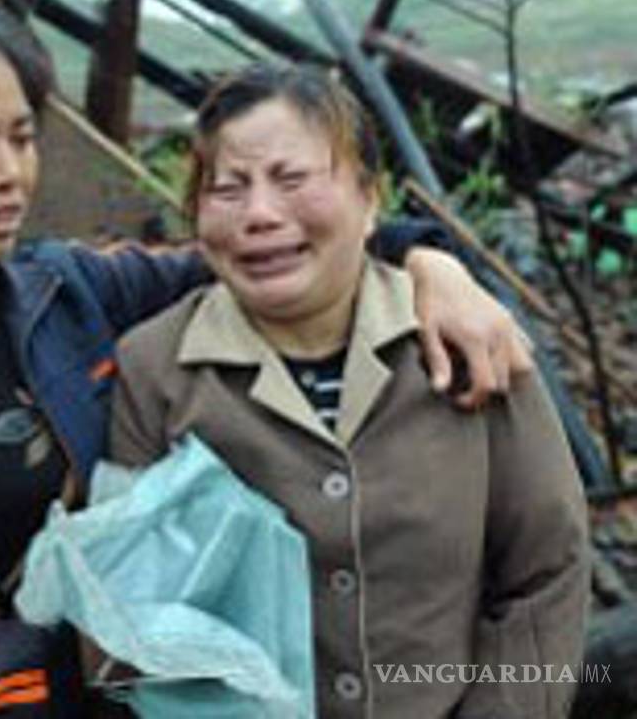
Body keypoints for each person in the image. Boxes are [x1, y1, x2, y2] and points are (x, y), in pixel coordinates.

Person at [0, 0, 533, 718]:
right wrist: (88, 652)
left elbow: (253, 253)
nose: (9, 173)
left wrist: (430, 261)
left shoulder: (70, 292)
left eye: (22, 138)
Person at [109, 62, 590, 718]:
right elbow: (136, 610)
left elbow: (548, 571)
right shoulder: (155, 368)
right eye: (227, 188)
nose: (260, 214)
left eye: (292, 180)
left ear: (370, 199)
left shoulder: (466, 338)